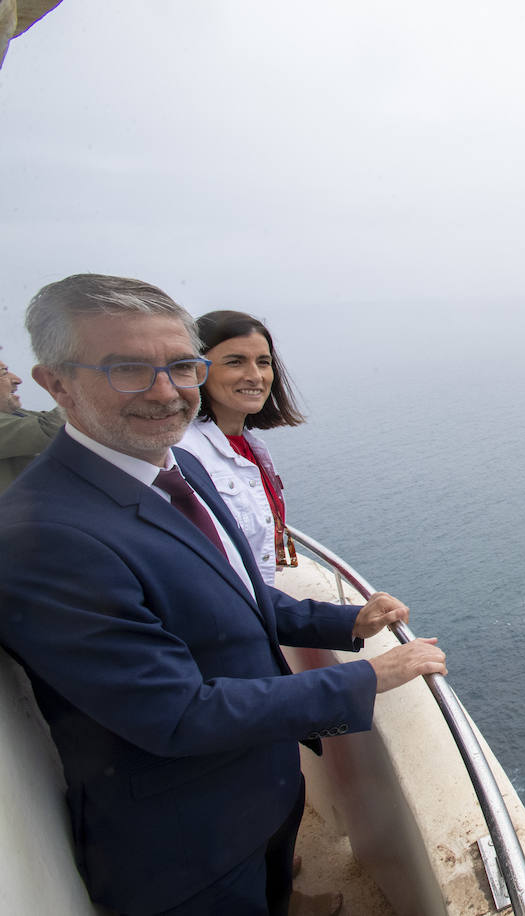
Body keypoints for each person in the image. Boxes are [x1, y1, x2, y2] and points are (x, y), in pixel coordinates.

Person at [0, 274, 448, 916]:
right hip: (186, 845)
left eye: (181, 366)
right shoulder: (45, 536)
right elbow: (176, 713)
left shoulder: (174, 469)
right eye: (128, 369)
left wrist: (348, 621)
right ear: (56, 384)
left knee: (276, 890)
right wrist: (370, 678)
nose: (166, 392)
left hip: (259, 787)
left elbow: (238, 594)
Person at [177, 311, 304, 586]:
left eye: (264, 362)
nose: (255, 376)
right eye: (235, 362)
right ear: (197, 370)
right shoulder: (184, 454)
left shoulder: (248, 446)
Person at [0, 350, 65, 493]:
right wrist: (78, 387)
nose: (17, 379)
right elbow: (51, 430)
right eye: (4, 372)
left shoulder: (15, 415)